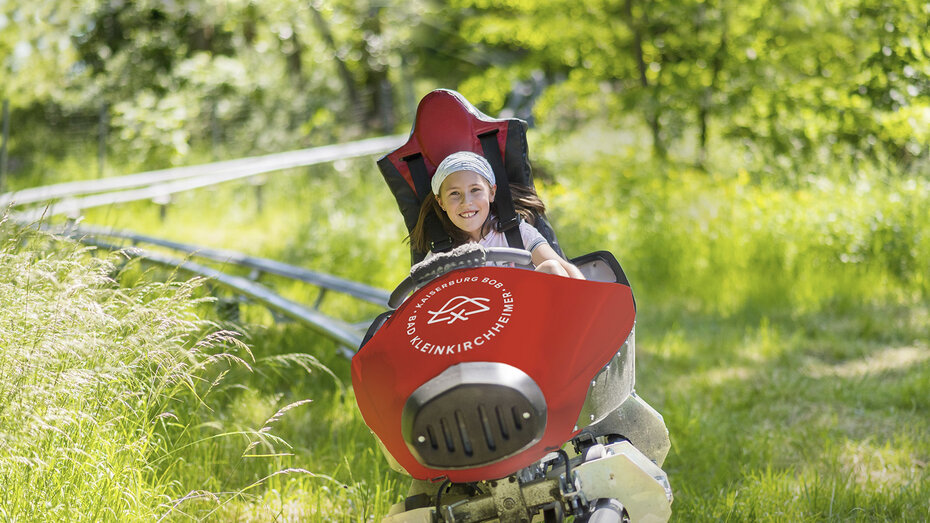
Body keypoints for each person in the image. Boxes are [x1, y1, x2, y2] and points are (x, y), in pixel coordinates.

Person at [409, 151, 585, 279]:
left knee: (552, 267)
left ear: (492, 193)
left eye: (475, 190)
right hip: (480, 323)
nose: (466, 202)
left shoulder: (516, 233)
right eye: (455, 194)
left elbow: (565, 269)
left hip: (530, 313)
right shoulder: (440, 256)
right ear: (441, 202)